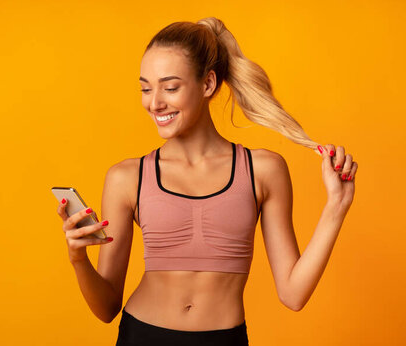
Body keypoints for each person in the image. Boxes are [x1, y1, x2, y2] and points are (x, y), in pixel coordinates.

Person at [56, 17, 357, 346]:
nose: (154, 102)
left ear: (208, 84)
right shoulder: (127, 177)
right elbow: (106, 308)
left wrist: (336, 206)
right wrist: (78, 258)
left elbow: (293, 294)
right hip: (141, 335)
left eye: (170, 87)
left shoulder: (263, 170)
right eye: (145, 88)